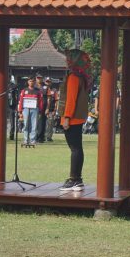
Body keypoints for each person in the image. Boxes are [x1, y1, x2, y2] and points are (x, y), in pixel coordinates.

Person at [57, 50, 92, 191]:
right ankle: (77, 178)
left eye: (69, 58)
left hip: (72, 118)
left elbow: (70, 99)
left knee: (75, 149)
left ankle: (74, 179)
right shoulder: (81, 76)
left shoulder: (73, 76)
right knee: (77, 148)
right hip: (77, 117)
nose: (67, 60)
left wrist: (66, 118)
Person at [18, 76, 43, 146]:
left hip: (35, 109)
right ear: (28, 82)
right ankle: (26, 140)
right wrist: (20, 111)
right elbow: (21, 101)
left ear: (34, 82)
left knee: (34, 125)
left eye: (32, 81)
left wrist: (40, 111)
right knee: (26, 124)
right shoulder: (24, 90)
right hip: (25, 109)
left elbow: (40, 101)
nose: (31, 82)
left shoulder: (38, 91)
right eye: (30, 81)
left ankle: (32, 140)